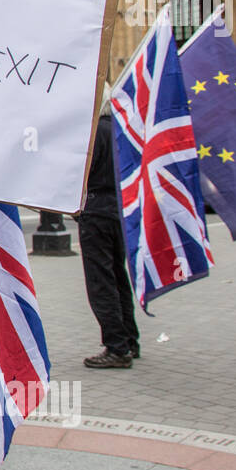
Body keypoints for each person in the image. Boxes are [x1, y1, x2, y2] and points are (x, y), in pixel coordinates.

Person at [81, 91, 139, 369]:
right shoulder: (122, 132)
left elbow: (82, 174)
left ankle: (116, 346)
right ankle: (130, 339)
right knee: (119, 276)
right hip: (121, 208)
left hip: (96, 211)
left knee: (101, 281)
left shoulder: (92, 134)